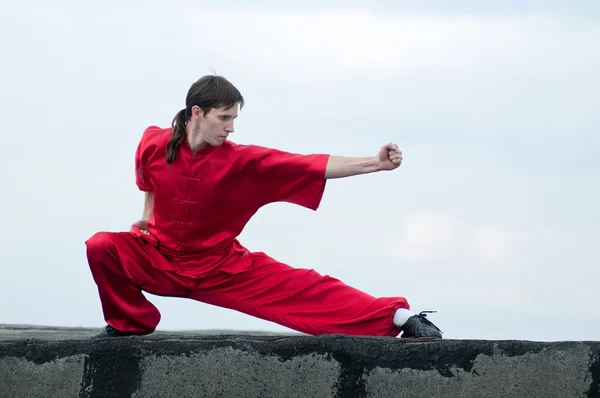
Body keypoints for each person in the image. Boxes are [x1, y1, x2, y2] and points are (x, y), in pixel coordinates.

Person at [85, 75, 442, 340]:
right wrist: (147, 216)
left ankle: (399, 317)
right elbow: (147, 179)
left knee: (306, 289)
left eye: (234, 119)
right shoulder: (153, 142)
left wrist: (374, 163)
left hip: (219, 267)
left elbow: (308, 165)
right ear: (198, 112)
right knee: (100, 245)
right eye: (224, 118)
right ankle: (130, 323)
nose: (231, 128)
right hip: (159, 258)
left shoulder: (243, 162)